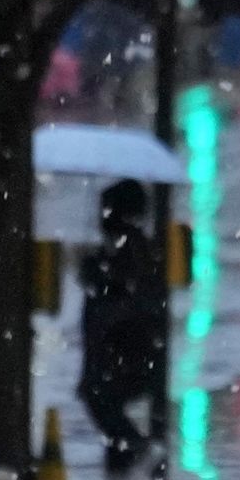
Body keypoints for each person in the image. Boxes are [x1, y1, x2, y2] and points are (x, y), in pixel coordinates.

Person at [73, 177, 167, 463]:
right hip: (117, 356)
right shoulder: (122, 248)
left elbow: (130, 302)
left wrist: (101, 280)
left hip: (125, 356)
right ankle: (127, 452)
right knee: (100, 400)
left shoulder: (133, 250)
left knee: (99, 397)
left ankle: (134, 448)